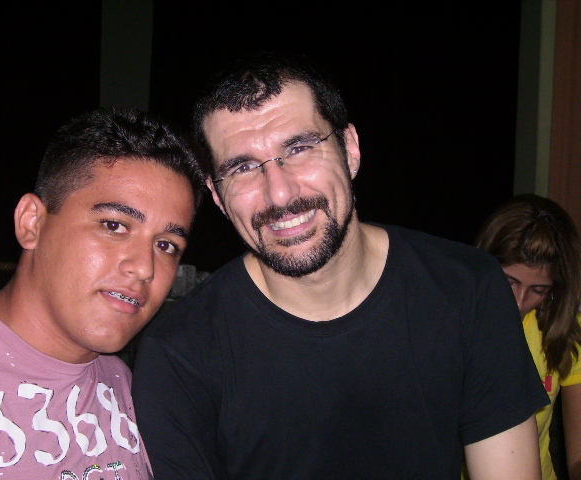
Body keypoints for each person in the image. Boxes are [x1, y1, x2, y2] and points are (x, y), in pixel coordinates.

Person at [131, 52, 549, 479]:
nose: (279, 193)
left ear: (349, 150)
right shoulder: (179, 354)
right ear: (218, 197)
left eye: (299, 148)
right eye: (243, 167)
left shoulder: (467, 288)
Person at [0, 107, 203, 479]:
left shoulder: (130, 389)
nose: (145, 268)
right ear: (32, 223)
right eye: (114, 225)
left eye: (166, 245)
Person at [475, 194, 581, 480]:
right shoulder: (448, 323)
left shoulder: (564, 330)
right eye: (509, 282)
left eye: (538, 290)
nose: (519, 303)